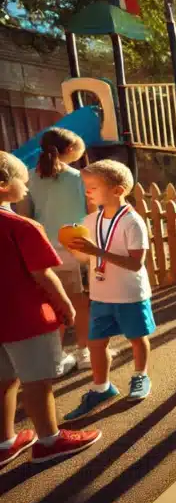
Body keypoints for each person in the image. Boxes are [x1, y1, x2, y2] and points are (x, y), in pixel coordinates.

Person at [0, 151, 101, 466]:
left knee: (4, 380)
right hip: (27, 318)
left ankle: (4, 441)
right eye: (23, 182)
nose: (27, 188)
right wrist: (66, 305)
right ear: (4, 184)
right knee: (37, 381)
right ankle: (49, 440)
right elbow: (42, 273)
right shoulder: (22, 226)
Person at [63, 160, 156, 419]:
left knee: (137, 338)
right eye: (86, 186)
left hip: (129, 294)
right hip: (100, 294)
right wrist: (76, 250)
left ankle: (140, 376)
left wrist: (97, 251)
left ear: (117, 190)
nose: (87, 191)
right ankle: (101, 387)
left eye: (93, 186)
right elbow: (88, 259)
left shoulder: (132, 222)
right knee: (95, 343)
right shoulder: (90, 220)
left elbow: (135, 263)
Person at [24, 128, 90, 373]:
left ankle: (55, 355)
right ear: (70, 150)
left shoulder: (29, 178)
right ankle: (84, 352)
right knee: (81, 304)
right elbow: (91, 212)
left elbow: (26, 216)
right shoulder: (80, 178)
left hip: (44, 252)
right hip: (76, 249)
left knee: (52, 304)